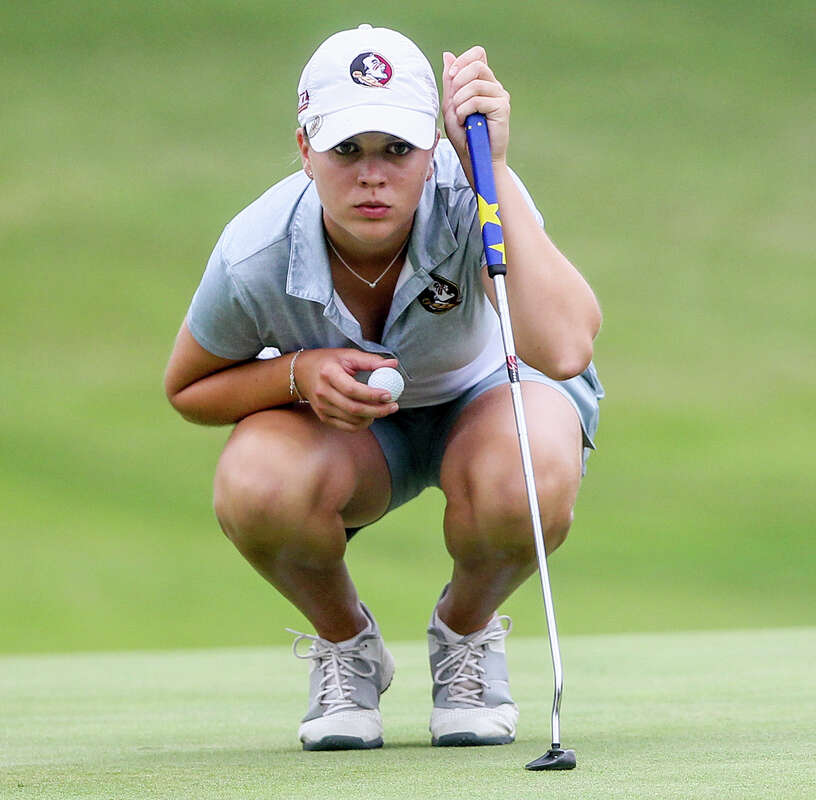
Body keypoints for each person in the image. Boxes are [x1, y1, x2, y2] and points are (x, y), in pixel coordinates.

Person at [163, 23, 603, 751]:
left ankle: (464, 634)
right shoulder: (256, 249)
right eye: (347, 150)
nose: (373, 175)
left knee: (530, 471)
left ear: (433, 147)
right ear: (305, 148)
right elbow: (188, 389)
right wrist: (297, 375)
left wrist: (490, 166)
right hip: (354, 439)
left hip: (490, 403)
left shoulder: (475, 196)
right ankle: (348, 648)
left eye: (398, 149)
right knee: (256, 484)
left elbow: (563, 349)